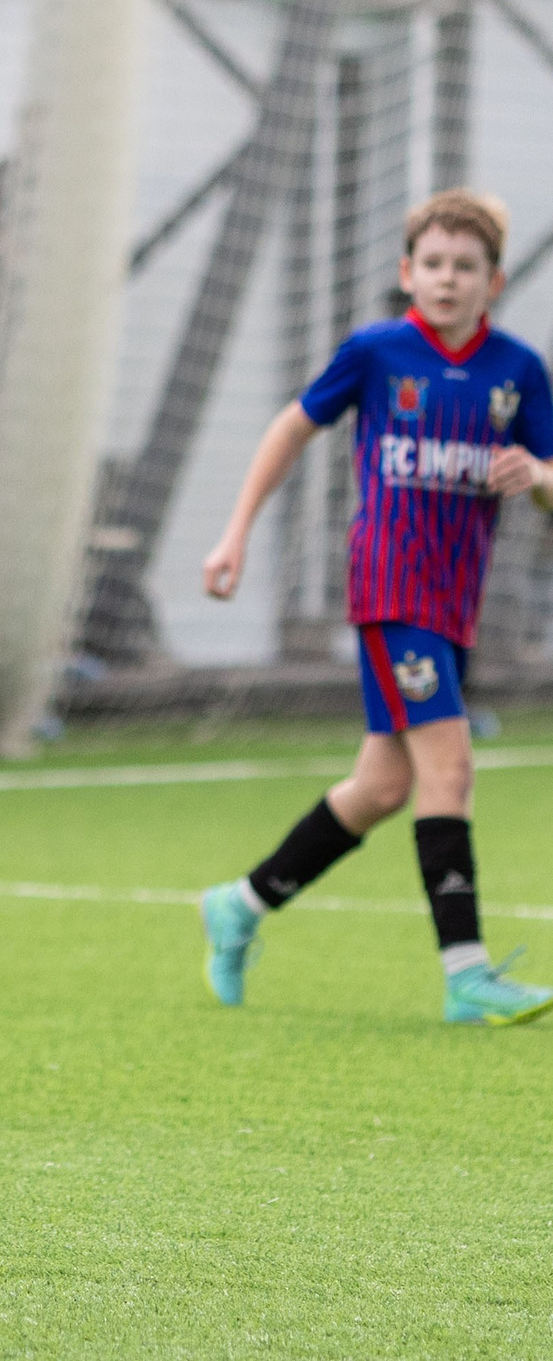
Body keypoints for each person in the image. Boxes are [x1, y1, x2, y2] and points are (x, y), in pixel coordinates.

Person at [196, 190, 553, 1028]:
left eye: (465, 267)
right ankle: (466, 973)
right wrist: (235, 532)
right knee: (451, 769)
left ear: (492, 281)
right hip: (391, 590)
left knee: (383, 784)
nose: (447, 279)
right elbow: (291, 427)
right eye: (432, 264)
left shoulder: (518, 371)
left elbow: (550, 477)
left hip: (453, 604)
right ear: (406, 273)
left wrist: (536, 478)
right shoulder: (377, 352)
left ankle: (240, 905)